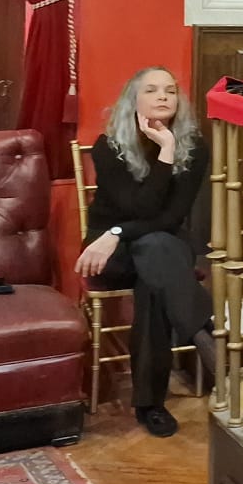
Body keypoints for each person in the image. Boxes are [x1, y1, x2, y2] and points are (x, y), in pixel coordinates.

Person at [76, 66, 218, 439]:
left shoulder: (194, 147)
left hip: (157, 242)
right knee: (156, 256)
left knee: (154, 268)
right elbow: (140, 208)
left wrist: (169, 148)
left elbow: (171, 216)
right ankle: (204, 332)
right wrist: (115, 234)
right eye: (151, 90)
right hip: (110, 252)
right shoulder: (109, 146)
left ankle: (149, 404)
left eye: (170, 90)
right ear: (133, 100)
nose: (163, 96)